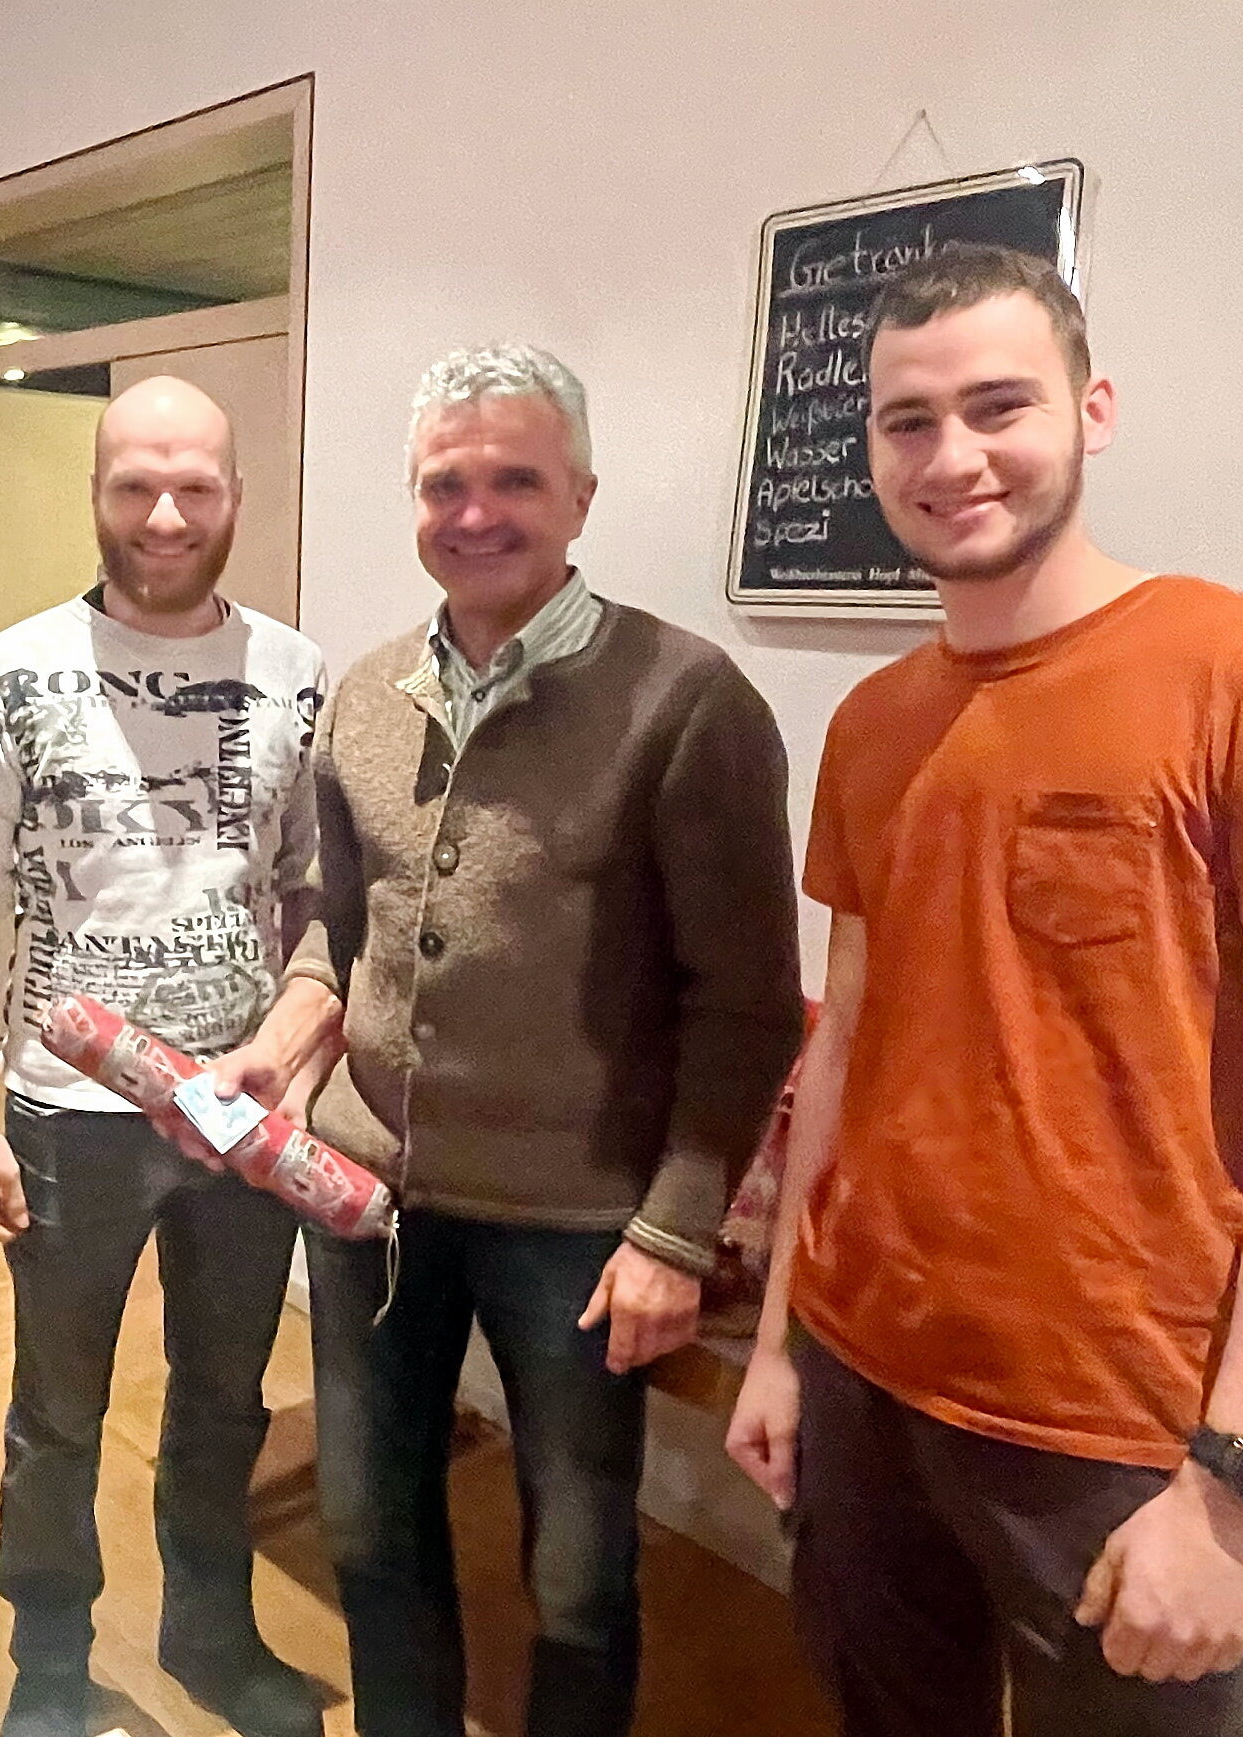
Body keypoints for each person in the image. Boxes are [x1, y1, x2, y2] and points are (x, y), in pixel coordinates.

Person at [725, 242, 1243, 1736]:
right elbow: (844, 1054)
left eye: (999, 406)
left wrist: (1234, 1490)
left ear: (1093, 411)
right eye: (909, 421)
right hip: (861, 1372)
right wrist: (780, 1346)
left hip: (1117, 1425)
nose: (952, 456)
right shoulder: (874, 722)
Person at [216, 343, 806, 1737]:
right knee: (369, 1530)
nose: (475, 514)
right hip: (368, 1204)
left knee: (578, 1574)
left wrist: (675, 1232)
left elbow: (746, 1002)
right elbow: (339, 932)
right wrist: (280, 1050)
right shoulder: (367, 696)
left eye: (516, 483)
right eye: (445, 485)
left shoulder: (687, 701)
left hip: (579, 1228)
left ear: (581, 498)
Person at [0, 377, 329, 1737]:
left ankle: (211, 1633)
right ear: (96, 492)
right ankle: (47, 1664)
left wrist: (297, 1066)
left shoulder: (297, 673)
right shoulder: (15, 671)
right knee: (57, 1414)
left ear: (234, 496)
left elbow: (319, 902)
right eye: (135, 485)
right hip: (67, 1115)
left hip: (242, 1110)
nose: (164, 516)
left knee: (225, 1400)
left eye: (194, 487)